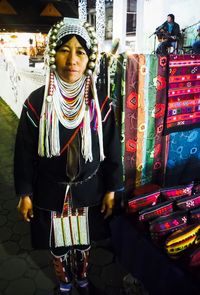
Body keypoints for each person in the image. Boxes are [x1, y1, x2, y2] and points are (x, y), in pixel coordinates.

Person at [14, 18, 123, 295]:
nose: (72, 59)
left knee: (84, 240)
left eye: (80, 52)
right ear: (53, 54)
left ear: (90, 59)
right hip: (50, 191)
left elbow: (112, 152)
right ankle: (64, 283)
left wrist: (112, 189)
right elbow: (25, 152)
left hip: (89, 191)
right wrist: (25, 193)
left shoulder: (102, 105)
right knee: (59, 243)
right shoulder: (36, 104)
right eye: (64, 49)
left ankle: (83, 279)